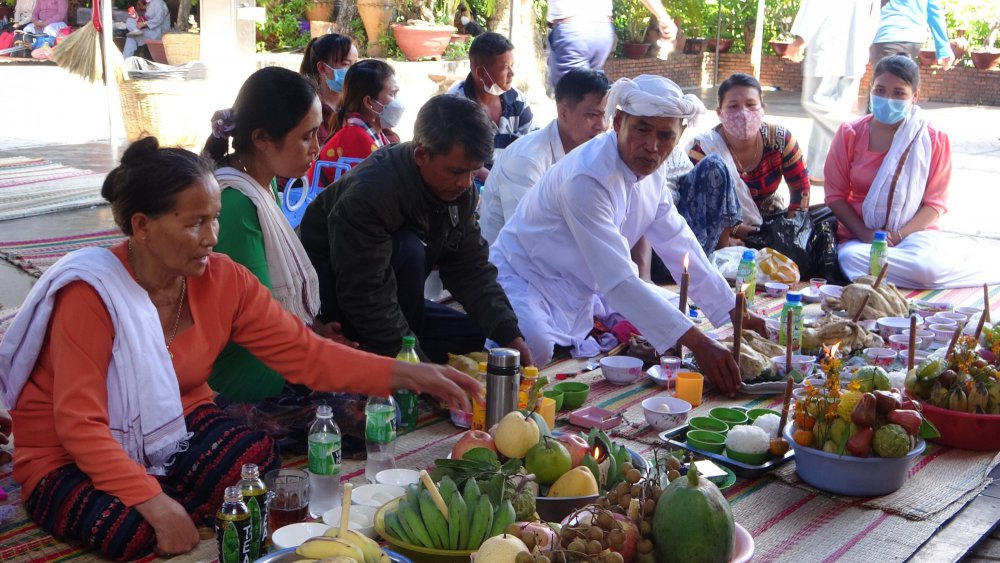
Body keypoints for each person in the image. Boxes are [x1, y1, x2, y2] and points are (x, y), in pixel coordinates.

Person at [0, 138, 478, 560]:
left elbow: (307, 354)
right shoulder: (91, 295)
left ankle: (168, 488)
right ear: (142, 226)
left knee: (252, 458)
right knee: (129, 531)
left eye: (215, 220)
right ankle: (159, 492)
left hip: (173, 425)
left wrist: (410, 374)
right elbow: (79, 425)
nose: (211, 238)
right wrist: (154, 501)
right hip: (65, 451)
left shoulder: (222, 278)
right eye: (195, 224)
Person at [490, 75, 766, 392]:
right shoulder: (587, 176)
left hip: (581, 286)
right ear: (619, 122)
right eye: (642, 129)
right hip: (524, 276)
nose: (652, 146)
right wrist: (699, 343)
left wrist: (734, 310)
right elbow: (619, 281)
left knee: (663, 316)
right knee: (532, 349)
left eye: (665, 135)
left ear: (679, 137)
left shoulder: (652, 170)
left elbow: (679, 242)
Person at [299, 95, 534, 366]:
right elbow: (365, 294)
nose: (465, 183)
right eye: (456, 171)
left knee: (478, 337)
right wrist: (417, 369)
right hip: (337, 302)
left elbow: (470, 269)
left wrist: (512, 336)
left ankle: (400, 349)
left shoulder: (460, 191)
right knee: (409, 250)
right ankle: (379, 355)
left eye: (473, 172)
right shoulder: (372, 194)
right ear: (421, 155)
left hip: (398, 301)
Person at [826, 55, 1000, 288]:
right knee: (849, 260)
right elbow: (835, 196)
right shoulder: (850, 133)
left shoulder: (931, 138)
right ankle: (904, 274)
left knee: (926, 268)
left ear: (914, 96)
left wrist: (898, 235)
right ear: (870, 89)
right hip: (861, 236)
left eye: (899, 93)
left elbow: (936, 204)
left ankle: (957, 269)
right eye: (880, 90)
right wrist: (867, 234)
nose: (887, 99)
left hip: (914, 234)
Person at [479, 68, 610, 245]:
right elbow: (528, 240)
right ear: (563, 112)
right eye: (592, 115)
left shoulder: (594, 152)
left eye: (606, 115)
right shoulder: (526, 161)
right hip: (510, 266)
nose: (602, 126)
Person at [689, 73, 811, 246]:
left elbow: (801, 190)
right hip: (721, 234)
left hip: (771, 223)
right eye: (733, 106)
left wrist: (791, 232)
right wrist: (736, 232)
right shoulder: (704, 152)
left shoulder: (781, 141)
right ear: (719, 113)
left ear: (763, 109)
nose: (743, 114)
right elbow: (695, 208)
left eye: (751, 105)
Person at [783, 0, 879, 183]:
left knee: (814, 101)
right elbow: (874, 16)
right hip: (854, 50)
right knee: (831, 111)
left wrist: (800, 39)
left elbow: (818, 5)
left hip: (829, 48)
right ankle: (818, 168)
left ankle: (863, 135)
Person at [447, 32, 536, 168]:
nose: (512, 73)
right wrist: (493, 181)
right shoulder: (456, 106)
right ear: (480, 73)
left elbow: (534, 144)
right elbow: (458, 160)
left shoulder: (518, 100)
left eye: (513, 65)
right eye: (505, 68)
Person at [545, 0, 677, 91]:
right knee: (592, 97)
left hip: (573, 31)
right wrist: (663, 17)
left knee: (572, 103)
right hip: (602, 30)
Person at [312, 59, 402, 186]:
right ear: (369, 102)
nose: (397, 102)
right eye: (392, 94)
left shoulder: (369, 130)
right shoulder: (357, 136)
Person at [300, 33, 359, 144]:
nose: (353, 71)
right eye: (346, 64)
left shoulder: (357, 102)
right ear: (322, 68)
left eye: (355, 64)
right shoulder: (308, 109)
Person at [870, 0, 953, 68]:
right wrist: (943, 47)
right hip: (914, 38)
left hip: (889, 35)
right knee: (899, 82)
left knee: (885, 83)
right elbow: (933, 9)